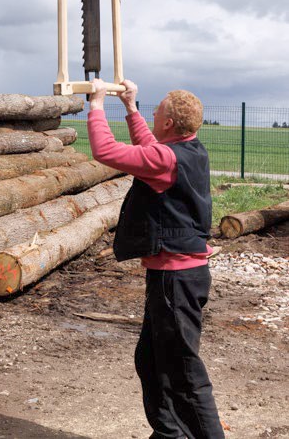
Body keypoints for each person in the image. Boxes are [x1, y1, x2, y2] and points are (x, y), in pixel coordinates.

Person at [87, 78, 225, 439]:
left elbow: (105, 151)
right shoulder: (187, 150)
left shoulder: (166, 159)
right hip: (175, 276)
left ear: (168, 123)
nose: (152, 115)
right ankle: (170, 434)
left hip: (177, 280)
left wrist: (97, 104)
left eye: (155, 113)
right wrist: (129, 107)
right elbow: (151, 148)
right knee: (150, 361)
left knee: (183, 373)